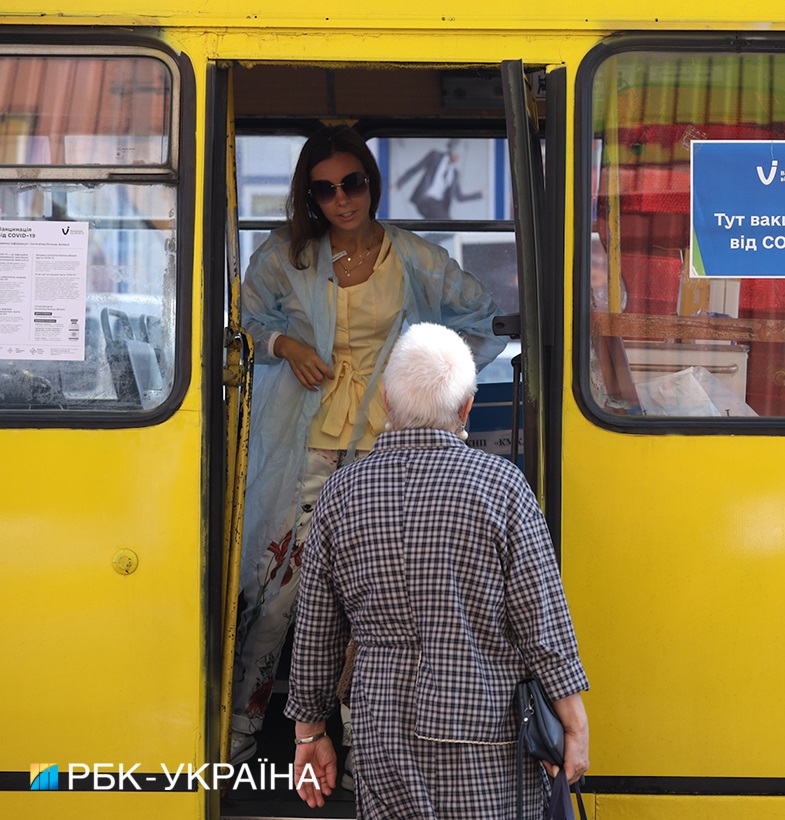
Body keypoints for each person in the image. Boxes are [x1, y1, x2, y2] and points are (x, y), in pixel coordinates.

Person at [231, 125, 506, 768]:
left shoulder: (414, 257)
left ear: (371, 184)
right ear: (310, 196)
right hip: (306, 445)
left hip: (391, 446)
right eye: (324, 189)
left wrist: (424, 378)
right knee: (279, 593)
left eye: (352, 183)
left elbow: (480, 317)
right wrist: (285, 346)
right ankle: (243, 728)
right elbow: (245, 321)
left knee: (379, 600)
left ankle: (365, 749)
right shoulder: (286, 256)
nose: (341, 199)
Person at [285, 322, 590, 819]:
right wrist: (573, 724)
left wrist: (309, 734)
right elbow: (543, 623)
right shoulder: (502, 487)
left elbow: (317, 631)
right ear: (467, 406)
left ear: (384, 399)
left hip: (380, 733)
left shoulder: (340, 493)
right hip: (484, 732)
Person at [397, 139, 483, 220]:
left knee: (446, 226)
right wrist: (398, 184)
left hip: (438, 205)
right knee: (448, 224)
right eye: (457, 154)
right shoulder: (435, 157)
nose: (458, 158)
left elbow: (459, 197)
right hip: (425, 199)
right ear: (452, 151)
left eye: (460, 155)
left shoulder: (454, 173)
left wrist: (480, 194)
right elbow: (415, 169)